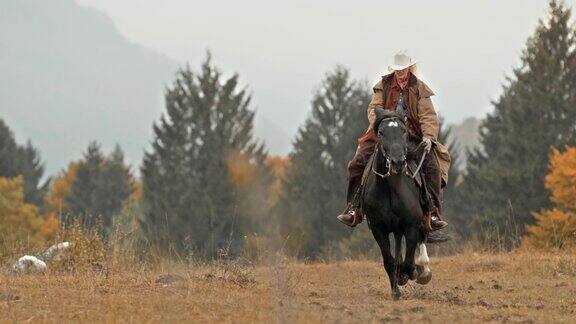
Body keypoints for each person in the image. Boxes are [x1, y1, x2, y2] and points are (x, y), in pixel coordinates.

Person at [337, 52, 451, 230]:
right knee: (356, 164)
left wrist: (429, 137)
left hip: (411, 136)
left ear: (409, 68)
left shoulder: (419, 88)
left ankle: (433, 212)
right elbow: (373, 109)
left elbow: (428, 116)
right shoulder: (383, 85)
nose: (400, 72)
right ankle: (354, 208)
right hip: (383, 133)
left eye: (403, 69)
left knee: (433, 167)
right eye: (397, 69)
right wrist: (383, 122)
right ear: (394, 69)